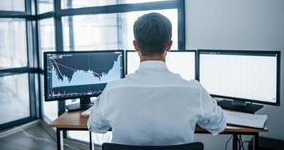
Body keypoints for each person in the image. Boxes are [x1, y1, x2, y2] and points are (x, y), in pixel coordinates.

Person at [87, 12, 226, 145]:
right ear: (169, 45)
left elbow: (94, 126)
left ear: (135, 46)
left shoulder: (113, 90)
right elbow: (218, 125)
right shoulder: (194, 90)